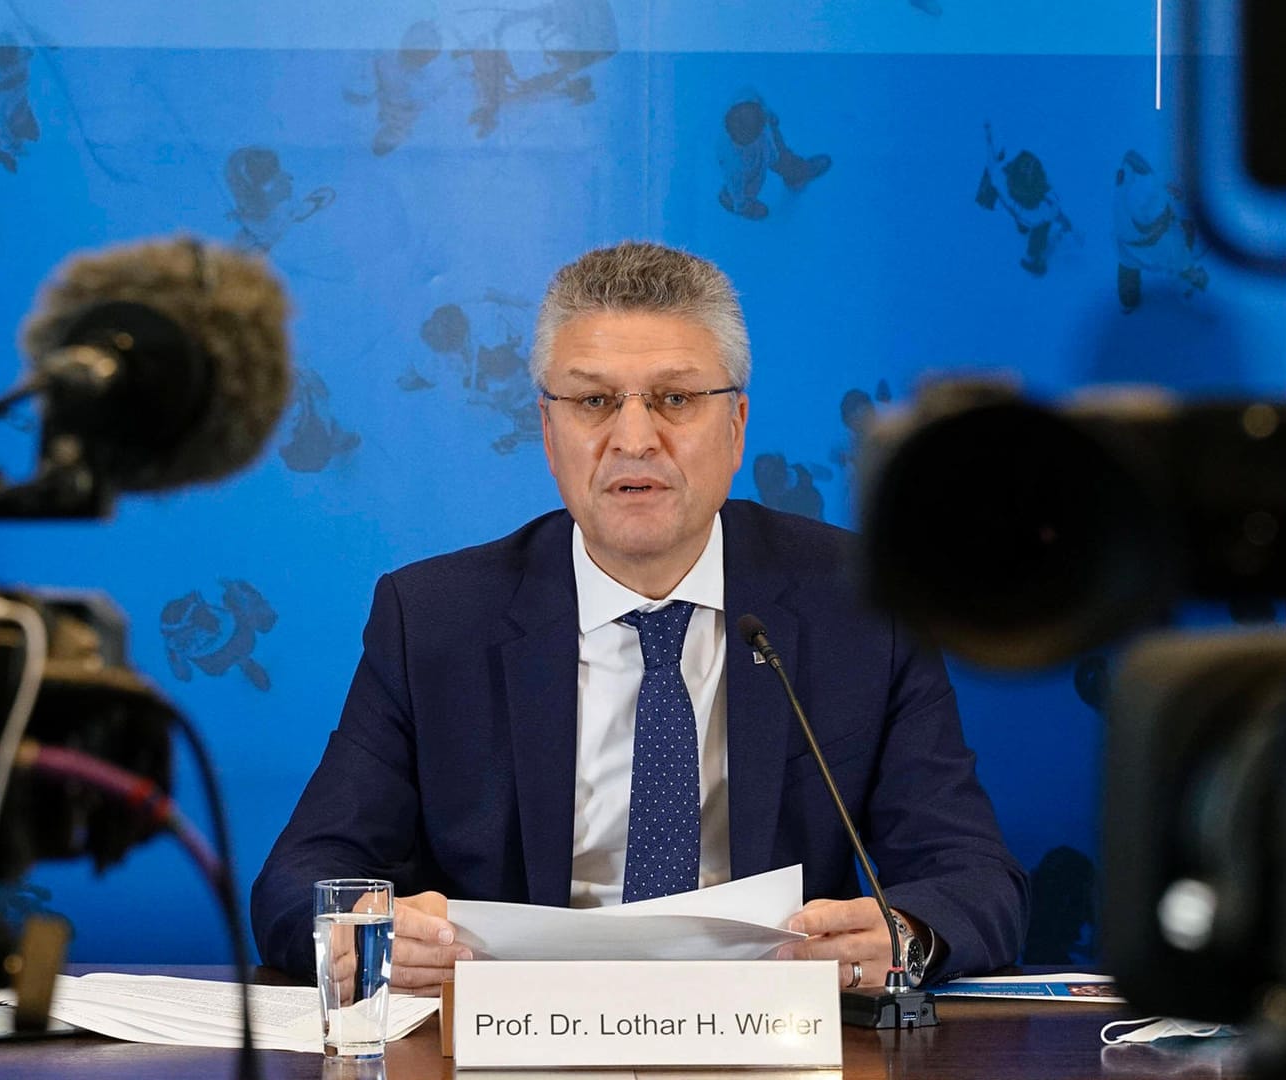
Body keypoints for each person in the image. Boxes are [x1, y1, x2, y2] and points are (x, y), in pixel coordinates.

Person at [252, 241, 1028, 993]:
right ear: (549, 433)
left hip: (768, 1036)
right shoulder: (433, 619)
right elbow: (300, 878)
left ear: (736, 426)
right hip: (519, 1039)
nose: (633, 439)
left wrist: (902, 934)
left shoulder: (865, 604)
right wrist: (361, 931)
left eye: (676, 399)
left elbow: (975, 880)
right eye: (593, 401)